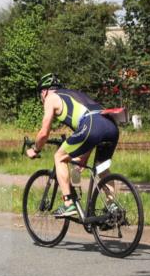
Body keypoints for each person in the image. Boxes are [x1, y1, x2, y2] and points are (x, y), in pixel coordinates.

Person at [25, 73, 119, 217]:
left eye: (41, 95)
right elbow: (89, 136)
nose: (42, 98)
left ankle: (68, 204)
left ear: (44, 91)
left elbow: (44, 133)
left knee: (59, 157)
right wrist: (82, 160)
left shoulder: (51, 98)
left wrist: (35, 149)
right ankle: (113, 208)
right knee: (102, 168)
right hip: (110, 125)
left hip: (92, 125)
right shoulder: (74, 94)